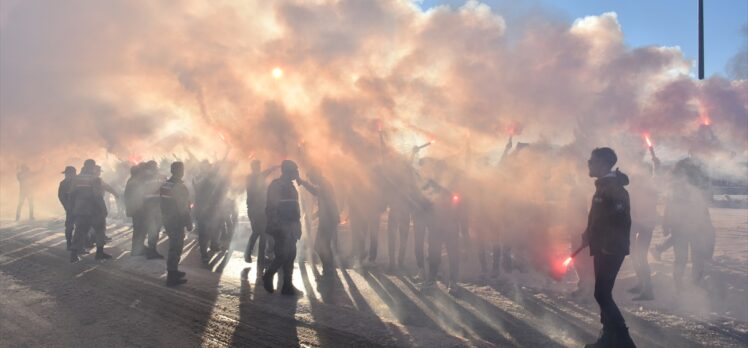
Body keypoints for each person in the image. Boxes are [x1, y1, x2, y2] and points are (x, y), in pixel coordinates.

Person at [583, 148, 636, 348]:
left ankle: (623, 340)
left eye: (592, 160)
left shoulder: (614, 187)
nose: (588, 163)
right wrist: (588, 233)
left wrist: (608, 245)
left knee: (602, 294)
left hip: (611, 248)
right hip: (603, 246)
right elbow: (599, 217)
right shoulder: (604, 185)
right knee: (603, 292)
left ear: (604, 164)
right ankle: (608, 338)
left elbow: (620, 221)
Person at [662, 158, 715, 289]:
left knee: (691, 258)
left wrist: (666, 223)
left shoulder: (697, 186)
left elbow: (703, 208)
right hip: (683, 227)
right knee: (685, 258)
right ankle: (682, 285)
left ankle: (689, 284)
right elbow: (669, 205)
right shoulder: (676, 185)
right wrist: (666, 223)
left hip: (695, 227)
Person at [262, 160, 305, 296]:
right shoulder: (276, 186)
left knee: (291, 255)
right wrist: (276, 226)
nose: (297, 173)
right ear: (287, 172)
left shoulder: (291, 187)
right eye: (295, 170)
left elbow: (295, 209)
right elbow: (272, 208)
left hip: (291, 227)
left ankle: (287, 285)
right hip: (281, 226)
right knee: (281, 255)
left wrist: (298, 226)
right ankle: (268, 275)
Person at [299, 169, 340, 280]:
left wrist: (303, 182)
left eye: (311, 178)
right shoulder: (324, 183)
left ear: (315, 175)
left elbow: (316, 192)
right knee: (324, 245)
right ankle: (329, 268)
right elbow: (325, 202)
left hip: (329, 219)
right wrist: (316, 215)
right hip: (328, 218)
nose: (311, 181)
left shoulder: (324, 184)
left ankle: (329, 268)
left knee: (321, 246)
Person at [69, 160, 112, 262]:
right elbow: (97, 196)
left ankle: (73, 254)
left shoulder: (77, 178)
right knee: (100, 230)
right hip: (94, 210)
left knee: (79, 231)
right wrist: (103, 210)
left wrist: (72, 208)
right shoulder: (94, 179)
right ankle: (99, 253)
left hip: (80, 210)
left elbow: (72, 194)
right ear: (92, 167)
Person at [160, 162, 193, 286]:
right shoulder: (179, 187)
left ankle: (173, 271)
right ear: (180, 171)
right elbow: (183, 207)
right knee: (176, 247)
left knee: (174, 245)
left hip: (167, 219)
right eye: (182, 169)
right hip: (176, 220)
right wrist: (188, 222)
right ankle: (172, 275)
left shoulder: (165, 185)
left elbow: (162, 203)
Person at [244, 160, 278, 270]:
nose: (259, 168)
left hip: (260, 209)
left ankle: (253, 256)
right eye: (258, 166)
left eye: (259, 166)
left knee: (259, 232)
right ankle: (257, 258)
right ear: (254, 168)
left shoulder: (255, 178)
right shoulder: (251, 178)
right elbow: (262, 176)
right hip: (255, 209)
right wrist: (272, 168)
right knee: (260, 232)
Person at [58, 166, 77, 250]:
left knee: (81, 226)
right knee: (69, 226)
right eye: (66, 174)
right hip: (70, 208)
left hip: (80, 208)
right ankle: (69, 243)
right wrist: (66, 206)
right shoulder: (63, 183)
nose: (66, 175)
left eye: (68, 174)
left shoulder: (79, 182)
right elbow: (61, 196)